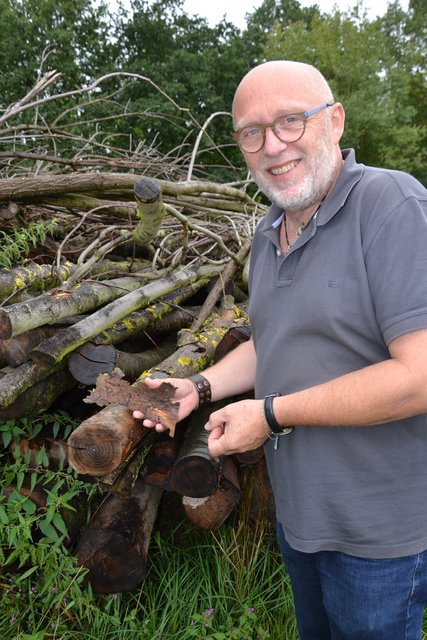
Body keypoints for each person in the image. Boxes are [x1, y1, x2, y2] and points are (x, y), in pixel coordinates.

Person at [133, 60, 427, 640]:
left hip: (380, 537)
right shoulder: (268, 235)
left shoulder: (390, 204)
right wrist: (199, 386)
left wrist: (269, 415)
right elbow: (274, 342)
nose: (273, 146)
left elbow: (419, 377)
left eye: (291, 121)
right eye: (251, 132)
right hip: (302, 521)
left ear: (335, 121)